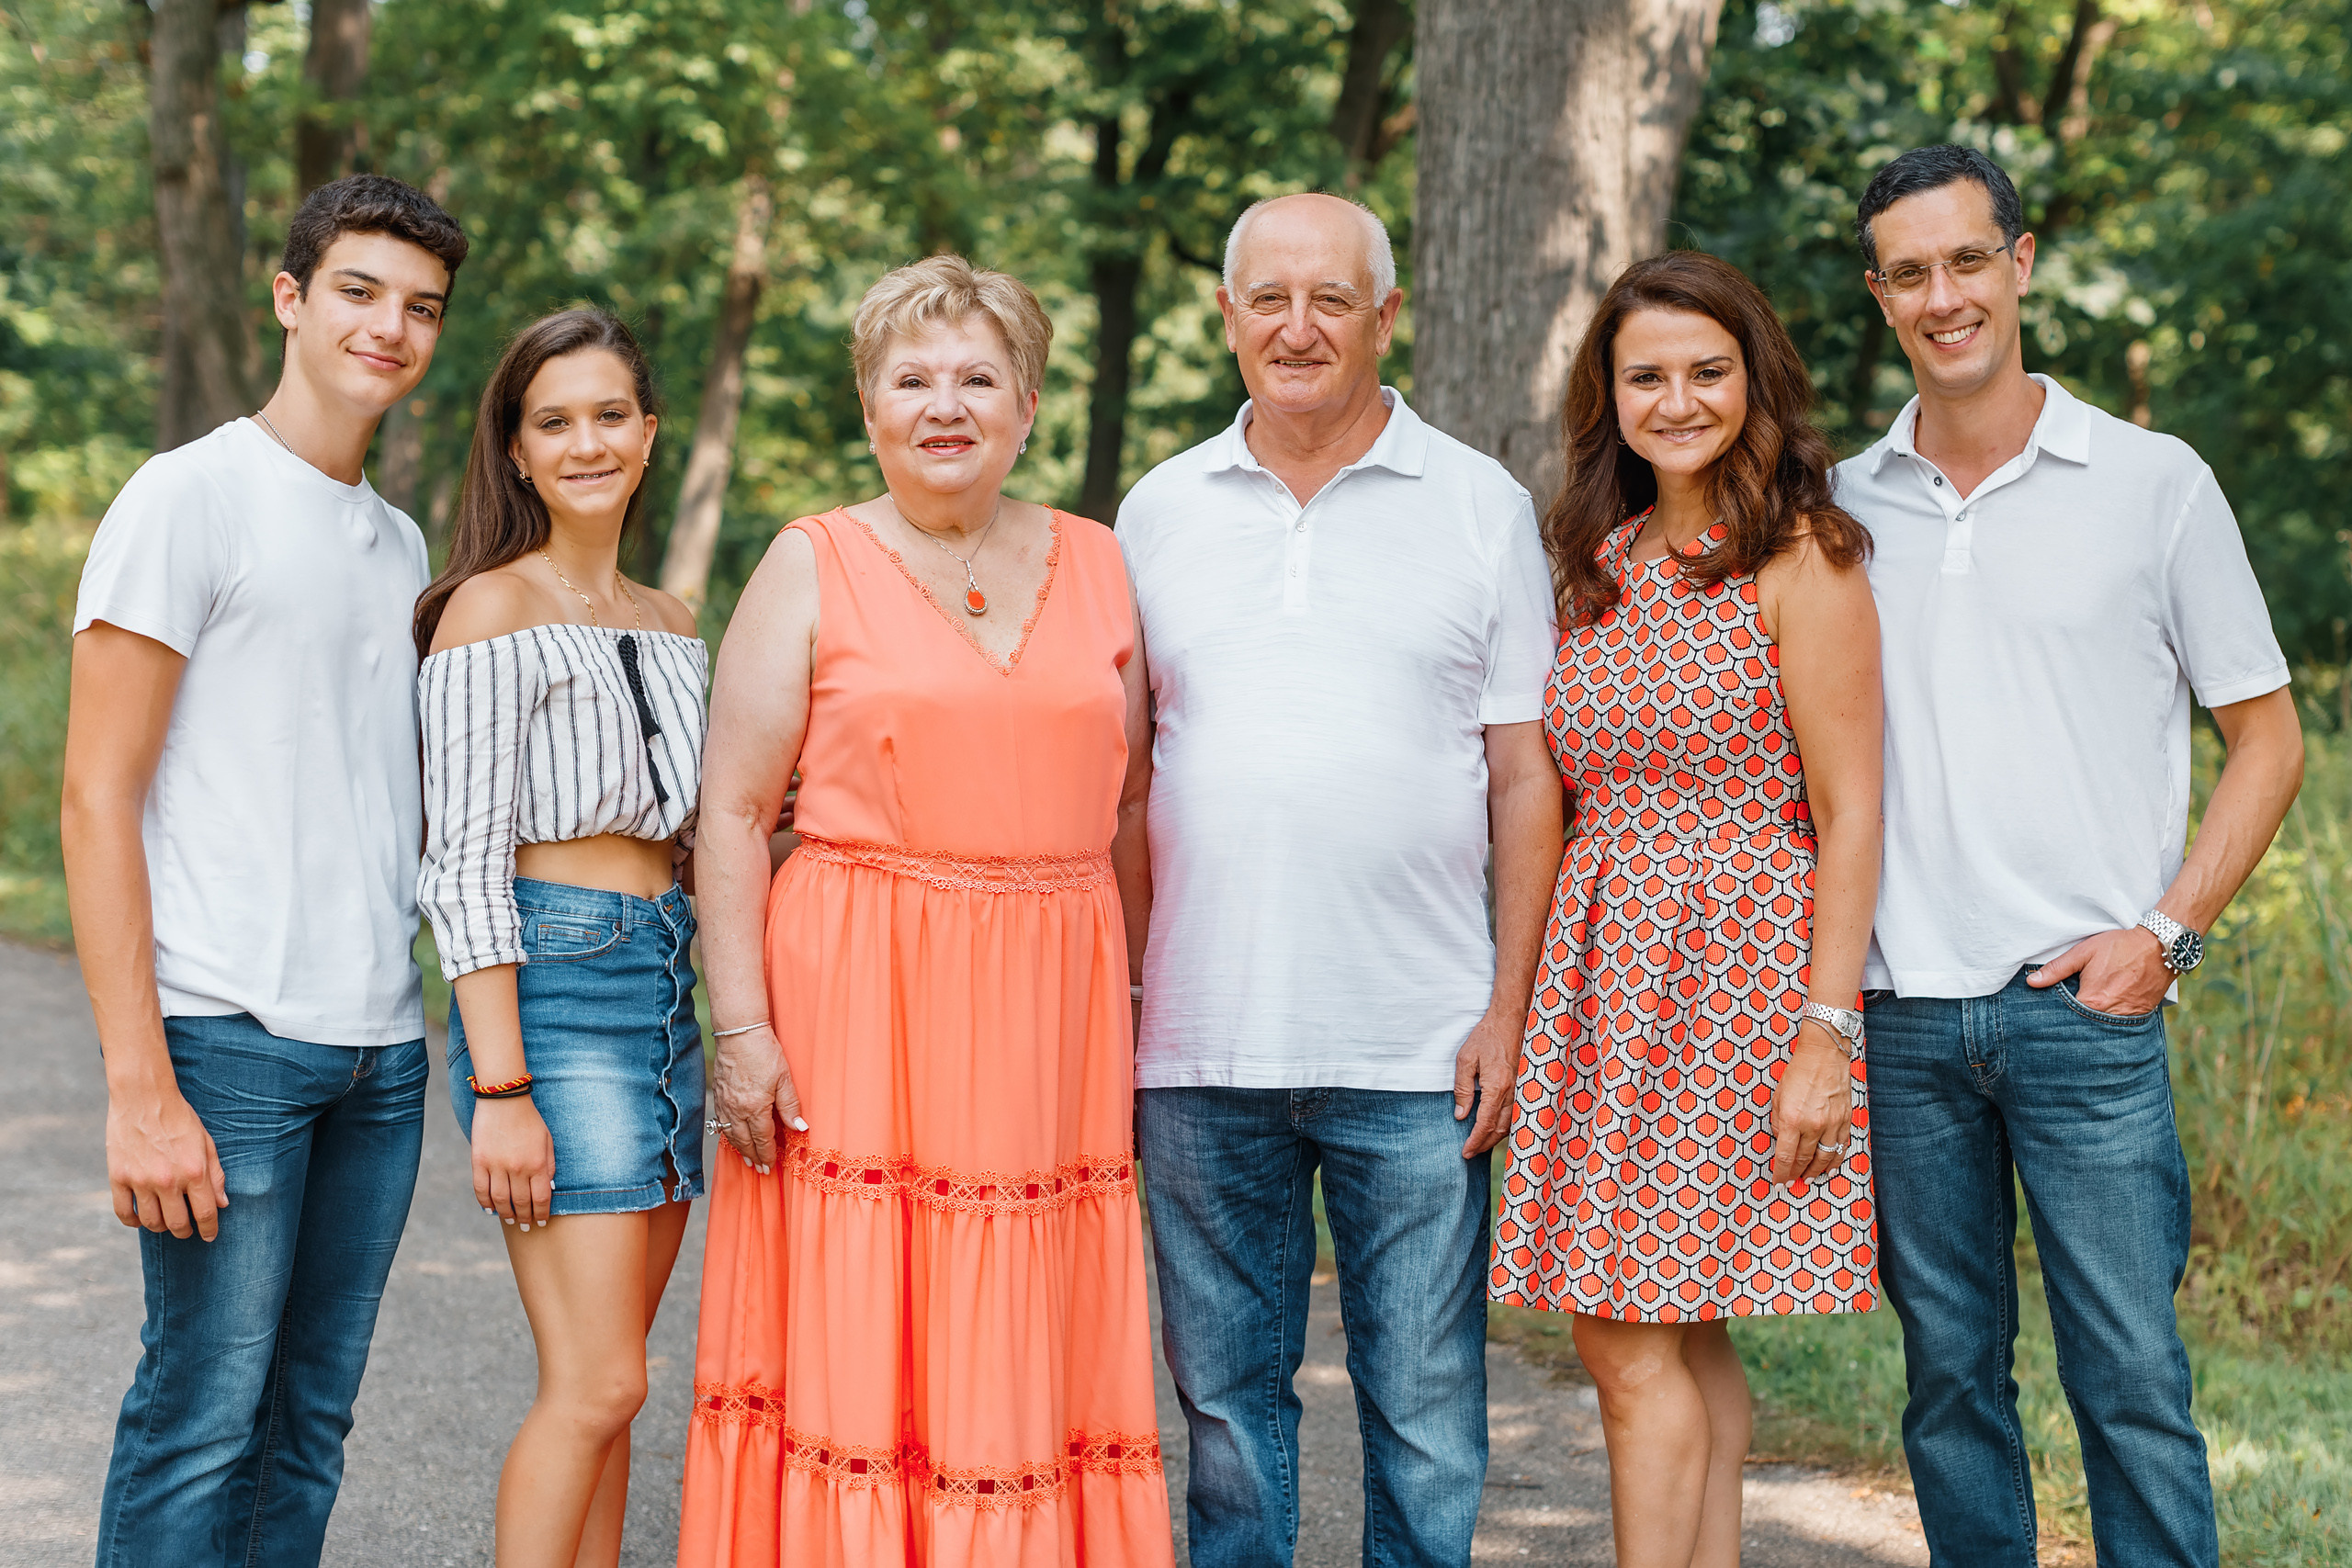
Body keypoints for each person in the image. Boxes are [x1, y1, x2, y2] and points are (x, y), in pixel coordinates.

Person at [1837, 144, 2305, 1567]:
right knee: (1952, 1387)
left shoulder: (2152, 482)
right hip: (1901, 1017)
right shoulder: (1840, 507)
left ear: (2020, 263)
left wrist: (2165, 935)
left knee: (2133, 1387)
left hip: (2086, 1013)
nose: (1944, 294)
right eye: (1910, 273)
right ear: (1880, 296)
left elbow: (2270, 739)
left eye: (1968, 260)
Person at [678, 254, 1172, 1565]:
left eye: (976, 378)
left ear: (1026, 403)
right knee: (862, 1316)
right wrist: (740, 1028)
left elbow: (1127, 807)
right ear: (869, 403)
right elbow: (731, 813)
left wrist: (1129, 1004)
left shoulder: (1104, 560)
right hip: (857, 992)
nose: (944, 405)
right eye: (912, 379)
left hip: (1051, 995)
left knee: (1025, 1310)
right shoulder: (812, 562)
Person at [1114, 191, 1561, 1568]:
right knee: (1226, 1414)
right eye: (1269, 299)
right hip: (1198, 1042)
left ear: (1387, 316)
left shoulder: (1481, 505)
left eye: (1329, 300)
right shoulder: (1154, 510)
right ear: (1228, 318)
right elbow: (1125, 779)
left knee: (1424, 1410)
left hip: (1418, 1046)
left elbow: (1526, 776)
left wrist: (1509, 1006)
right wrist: (1127, 992)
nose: (1296, 328)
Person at [60, 175, 466, 1566]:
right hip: (225, 1037)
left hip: (380, 1057)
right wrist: (138, 1090)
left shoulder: (398, 541)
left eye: (420, 308)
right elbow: (95, 796)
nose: (389, 328)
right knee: (201, 1418)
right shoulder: (190, 497)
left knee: (309, 1424)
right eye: (359, 290)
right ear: (290, 298)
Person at [1488, 250, 1883, 1568]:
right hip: (1606, 981)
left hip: (1734, 986)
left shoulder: (1802, 554)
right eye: (1646, 373)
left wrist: (1826, 1031)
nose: (1677, 398)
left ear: (1752, 380)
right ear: (1609, 391)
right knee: (1674, 1322)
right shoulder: (1593, 559)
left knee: (1624, 1331)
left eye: (1706, 371)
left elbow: (1854, 812)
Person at [409, 309, 707, 1567]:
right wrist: (502, 1087)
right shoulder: (490, 608)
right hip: (558, 993)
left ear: (648, 435)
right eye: (553, 422)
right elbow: (462, 866)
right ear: (518, 452)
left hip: (662, 984)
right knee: (590, 1385)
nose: (585, 442)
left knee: (621, 1386)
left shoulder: (677, 618)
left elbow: (701, 830)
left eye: (608, 416)